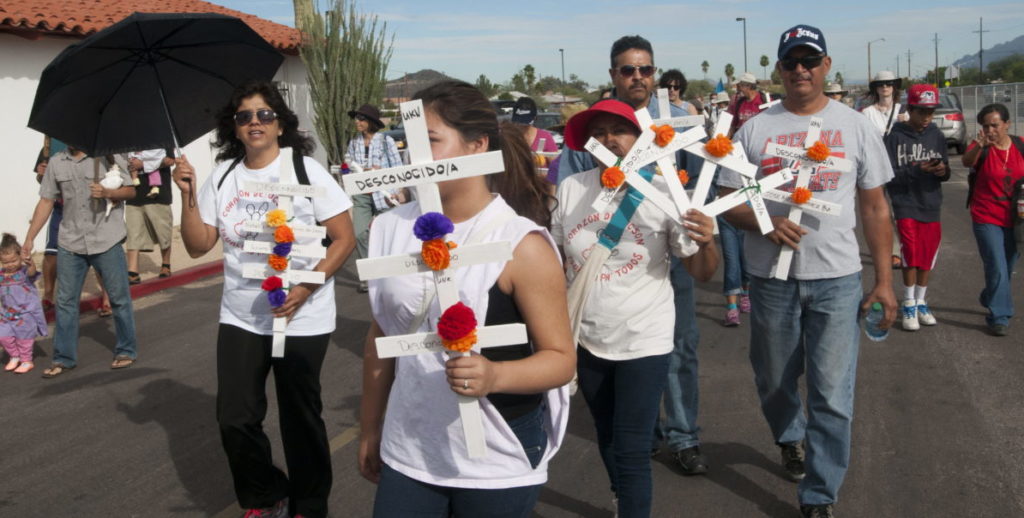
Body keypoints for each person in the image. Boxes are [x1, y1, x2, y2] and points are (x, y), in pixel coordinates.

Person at [358, 80, 574, 518]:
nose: (412, 154)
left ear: (477, 145)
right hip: (410, 447)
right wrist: (371, 427)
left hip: (495, 453)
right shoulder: (390, 228)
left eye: (430, 140)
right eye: (407, 142)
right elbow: (382, 335)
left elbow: (561, 359)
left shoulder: (520, 243)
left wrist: (494, 375)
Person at [719, 25, 897, 518]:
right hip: (771, 280)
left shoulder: (856, 126)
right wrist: (764, 220)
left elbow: (876, 208)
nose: (800, 69)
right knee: (775, 379)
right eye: (791, 61)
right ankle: (790, 434)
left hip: (837, 280)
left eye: (809, 60)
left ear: (826, 66)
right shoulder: (755, 129)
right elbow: (726, 202)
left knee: (832, 393)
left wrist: (883, 281)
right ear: (779, 69)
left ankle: (819, 493)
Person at [173, 80, 356, 518]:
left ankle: (309, 506)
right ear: (233, 127)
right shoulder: (223, 176)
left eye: (264, 115)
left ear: (279, 124)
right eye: (244, 116)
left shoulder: (306, 171)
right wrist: (185, 196)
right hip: (242, 315)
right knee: (235, 417)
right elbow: (199, 245)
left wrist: (306, 287)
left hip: (303, 316)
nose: (254, 122)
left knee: (300, 419)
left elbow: (344, 238)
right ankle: (265, 494)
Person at [554, 99, 718, 517]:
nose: (610, 140)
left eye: (619, 130)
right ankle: (621, 497)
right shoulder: (573, 188)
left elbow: (701, 271)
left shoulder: (665, 193)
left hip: (644, 337)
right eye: (600, 133)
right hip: (586, 336)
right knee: (607, 436)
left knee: (631, 447)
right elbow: (557, 258)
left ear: (641, 138)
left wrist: (706, 238)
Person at [23, 144, 138, 378]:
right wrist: (29, 238)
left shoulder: (107, 155)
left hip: (106, 239)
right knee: (65, 302)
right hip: (71, 242)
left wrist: (108, 193)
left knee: (119, 298)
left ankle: (126, 350)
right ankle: (64, 358)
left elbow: (130, 191)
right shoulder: (57, 162)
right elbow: (46, 201)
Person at [883, 84, 950, 331]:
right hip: (905, 203)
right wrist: (914, 170)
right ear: (909, 109)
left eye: (931, 112)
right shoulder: (895, 136)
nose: (927, 118)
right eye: (921, 112)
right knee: (910, 252)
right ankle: (908, 302)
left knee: (927, 255)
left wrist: (943, 170)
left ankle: (921, 301)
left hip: (931, 201)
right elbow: (888, 174)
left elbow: (944, 168)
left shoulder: (936, 135)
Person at [962, 103, 1024, 337]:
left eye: (995, 125)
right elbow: (967, 162)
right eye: (986, 126)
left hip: (1016, 218)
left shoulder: (1019, 145)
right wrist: (979, 145)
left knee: (1007, 267)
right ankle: (999, 316)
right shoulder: (981, 148)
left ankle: (989, 295)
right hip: (986, 215)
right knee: (997, 265)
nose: (990, 130)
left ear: (1007, 124)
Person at [346, 103, 404, 293]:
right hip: (362, 195)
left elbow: (397, 169)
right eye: (356, 118)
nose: (357, 122)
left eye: (361, 119)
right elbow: (348, 163)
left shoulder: (386, 141)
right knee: (360, 233)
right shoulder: (354, 142)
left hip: (384, 194)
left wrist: (384, 177)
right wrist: (352, 169)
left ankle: (391, 274)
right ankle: (369, 275)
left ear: (370, 122)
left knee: (387, 234)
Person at [122, 149, 175, 284]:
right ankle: (133, 271)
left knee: (163, 230)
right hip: (133, 192)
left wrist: (144, 165)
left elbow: (170, 160)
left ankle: (166, 264)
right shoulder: (126, 138)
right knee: (133, 231)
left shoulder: (161, 134)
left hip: (158, 193)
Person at [1, 233, 47, 374]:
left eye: (13, 260)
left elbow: (33, 273)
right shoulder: (1, 275)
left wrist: (30, 262)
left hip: (25, 314)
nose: (10, 265)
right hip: (6, 313)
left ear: (20, 257)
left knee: (24, 338)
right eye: (6, 262)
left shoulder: (24, 272)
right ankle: (15, 356)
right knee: (3, 336)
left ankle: (26, 360)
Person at [727, 72, 769, 138]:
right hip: (741, 143)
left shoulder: (765, 101)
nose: (737, 89)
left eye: (738, 86)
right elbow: (733, 125)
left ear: (748, 86)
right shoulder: (739, 103)